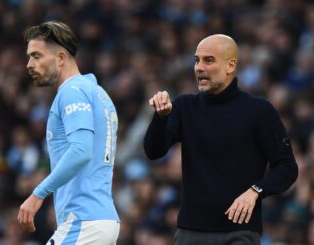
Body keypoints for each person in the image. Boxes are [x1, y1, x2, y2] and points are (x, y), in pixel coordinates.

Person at [143, 34, 298, 245]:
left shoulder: (259, 111)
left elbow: (287, 167)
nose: (199, 67)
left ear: (230, 66)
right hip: (190, 232)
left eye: (209, 60)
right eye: (196, 60)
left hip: (238, 232)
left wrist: (255, 191)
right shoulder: (184, 107)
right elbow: (154, 151)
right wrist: (160, 119)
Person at [17, 21, 120, 244]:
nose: (29, 64)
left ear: (61, 57)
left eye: (36, 56)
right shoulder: (97, 93)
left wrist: (38, 194)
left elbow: (81, 150)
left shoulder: (72, 92)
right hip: (101, 219)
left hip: (84, 221)